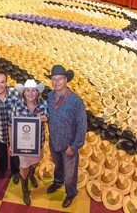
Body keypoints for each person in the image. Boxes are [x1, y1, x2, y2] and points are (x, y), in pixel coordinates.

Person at [45, 65, 87, 208]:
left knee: (70, 173)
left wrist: (75, 146)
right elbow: (51, 114)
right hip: (54, 141)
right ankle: (57, 182)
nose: (56, 83)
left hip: (69, 145)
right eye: (54, 79)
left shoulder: (76, 101)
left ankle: (71, 192)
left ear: (66, 80)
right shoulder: (50, 96)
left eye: (60, 79)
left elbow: (82, 126)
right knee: (58, 166)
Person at [8, 79, 48, 206]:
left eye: (34, 91)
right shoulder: (17, 106)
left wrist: (46, 118)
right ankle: (25, 189)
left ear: (37, 92)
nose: (31, 93)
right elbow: (11, 125)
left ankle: (31, 175)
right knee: (24, 166)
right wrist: (11, 143)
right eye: (28, 91)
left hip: (38, 142)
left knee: (36, 161)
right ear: (23, 92)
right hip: (22, 144)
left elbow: (48, 117)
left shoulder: (43, 104)